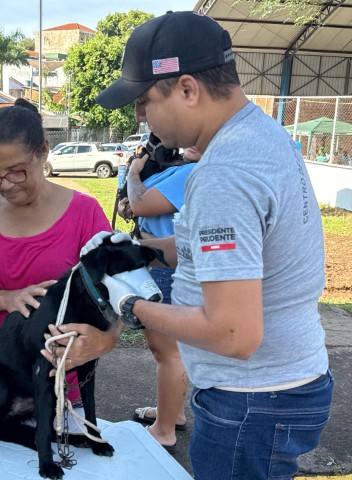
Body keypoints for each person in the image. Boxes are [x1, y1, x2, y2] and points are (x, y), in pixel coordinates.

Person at [43, 12, 332, 479]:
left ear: (187, 89)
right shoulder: (262, 137)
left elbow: (233, 333)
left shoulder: (223, 175)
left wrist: (131, 304)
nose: (140, 116)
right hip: (288, 380)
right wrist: (144, 251)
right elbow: (238, 251)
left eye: (143, 101)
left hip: (251, 400)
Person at [0, 98, 111, 410]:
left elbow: (114, 295)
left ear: (43, 151)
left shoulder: (85, 214)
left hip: (54, 377)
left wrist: (105, 338)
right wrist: (5, 299)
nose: (4, 184)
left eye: (16, 171)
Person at [117, 144, 201, 453]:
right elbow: (136, 204)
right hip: (157, 260)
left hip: (165, 266)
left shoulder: (190, 172)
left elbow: (140, 203)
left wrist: (134, 172)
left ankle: (164, 430)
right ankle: (171, 413)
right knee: (166, 350)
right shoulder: (180, 169)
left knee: (167, 351)